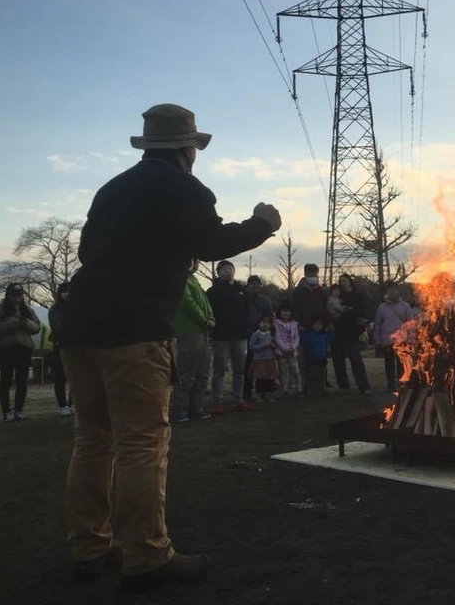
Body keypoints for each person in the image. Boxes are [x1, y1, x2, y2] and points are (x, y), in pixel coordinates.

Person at [56, 104, 281, 590]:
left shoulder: (111, 188)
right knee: (142, 442)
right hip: (133, 330)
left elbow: (86, 253)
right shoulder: (184, 187)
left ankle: (89, 548)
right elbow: (212, 242)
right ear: (189, 148)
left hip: (79, 328)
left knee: (93, 440)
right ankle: (146, 556)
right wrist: (262, 223)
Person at [206, 260, 253, 415]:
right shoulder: (212, 291)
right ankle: (217, 402)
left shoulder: (241, 290)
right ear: (219, 272)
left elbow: (247, 310)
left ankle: (238, 400)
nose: (227, 271)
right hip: (221, 337)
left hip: (240, 336)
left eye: (230, 268)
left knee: (239, 370)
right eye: (224, 269)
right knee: (219, 371)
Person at [171, 259, 215, 423]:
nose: (195, 263)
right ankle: (179, 409)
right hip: (189, 330)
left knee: (203, 372)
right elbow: (187, 302)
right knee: (187, 372)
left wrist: (210, 317)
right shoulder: (180, 279)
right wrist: (204, 319)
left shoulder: (194, 279)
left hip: (203, 330)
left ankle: (196, 407)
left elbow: (204, 301)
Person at [0, 283, 41, 421]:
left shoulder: (27, 309)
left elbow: (37, 327)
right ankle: (6, 411)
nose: (17, 298)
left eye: (20, 295)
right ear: (8, 295)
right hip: (6, 349)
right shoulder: (1, 308)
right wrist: (13, 323)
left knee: (22, 380)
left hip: (24, 348)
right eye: (14, 295)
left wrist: (24, 323)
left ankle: (18, 410)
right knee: (5, 380)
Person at [331, 274, 372, 394]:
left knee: (356, 359)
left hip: (352, 331)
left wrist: (348, 314)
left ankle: (364, 386)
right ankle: (343, 385)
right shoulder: (338, 296)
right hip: (338, 332)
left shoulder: (357, 296)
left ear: (349, 281)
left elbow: (360, 311)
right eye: (341, 281)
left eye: (345, 280)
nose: (343, 283)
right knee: (338, 360)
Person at [291, 263, 328, 393]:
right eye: (310, 275)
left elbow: (325, 309)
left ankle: (319, 386)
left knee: (318, 360)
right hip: (302, 330)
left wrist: (323, 324)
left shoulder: (322, 291)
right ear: (305, 274)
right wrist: (298, 324)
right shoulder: (297, 291)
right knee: (302, 360)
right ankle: (304, 386)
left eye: (314, 275)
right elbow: (293, 309)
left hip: (318, 330)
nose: (313, 277)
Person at [373, 282, 413, 391]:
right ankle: (390, 384)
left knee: (401, 365)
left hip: (402, 341)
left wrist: (410, 340)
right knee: (389, 364)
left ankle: (401, 383)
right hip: (387, 341)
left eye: (394, 289)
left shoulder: (405, 306)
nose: (392, 292)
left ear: (398, 291)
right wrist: (378, 340)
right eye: (389, 290)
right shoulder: (382, 307)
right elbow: (378, 325)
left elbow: (410, 325)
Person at [243, 275, 273, 402]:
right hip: (246, 335)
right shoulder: (242, 299)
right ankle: (246, 391)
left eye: (257, 284)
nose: (255, 286)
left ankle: (263, 391)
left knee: (264, 365)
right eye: (252, 284)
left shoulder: (265, 301)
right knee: (247, 365)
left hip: (262, 335)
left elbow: (269, 315)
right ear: (247, 286)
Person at [48, 282, 73, 416]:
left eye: (70, 291)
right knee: (60, 378)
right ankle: (63, 405)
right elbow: (57, 329)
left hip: (76, 347)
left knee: (76, 378)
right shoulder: (54, 310)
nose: (67, 294)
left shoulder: (77, 309)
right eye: (64, 291)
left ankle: (73, 404)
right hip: (60, 347)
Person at [248, 314, 280, 401]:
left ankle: (267, 394)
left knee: (269, 377)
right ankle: (259, 394)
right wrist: (263, 346)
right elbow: (251, 347)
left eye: (268, 323)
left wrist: (273, 346)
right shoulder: (256, 334)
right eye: (263, 322)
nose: (265, 324)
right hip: (259, 360)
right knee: (260, 378)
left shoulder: (270, 335)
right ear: (259, 323)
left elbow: (274, 345)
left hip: (269, 359)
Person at [274, 304, 302, 397]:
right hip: (281, 353)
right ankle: (284, 391)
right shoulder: (276, 323)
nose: (286, 313)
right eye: (284, 311)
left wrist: (293, 348)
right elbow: (277, 338)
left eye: (288, 311)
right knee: (283, 372)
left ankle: (299, 389)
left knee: (296, 371)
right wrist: (285, 349)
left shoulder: (294, 324)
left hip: (293, 352)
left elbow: (296, 337)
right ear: (280, 312)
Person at [301, 317, 334, 396]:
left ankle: (321, 388)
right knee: (313, 375)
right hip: (312, 359)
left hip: (322, 359)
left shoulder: (325, 335)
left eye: (320, 324)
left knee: (321, 375)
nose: (318, 326)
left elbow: (332, 338)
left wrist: (331, 330)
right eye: (316, 324)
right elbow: (302, 340)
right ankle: (313, 390)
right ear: (312, 325)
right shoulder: (308, 335)